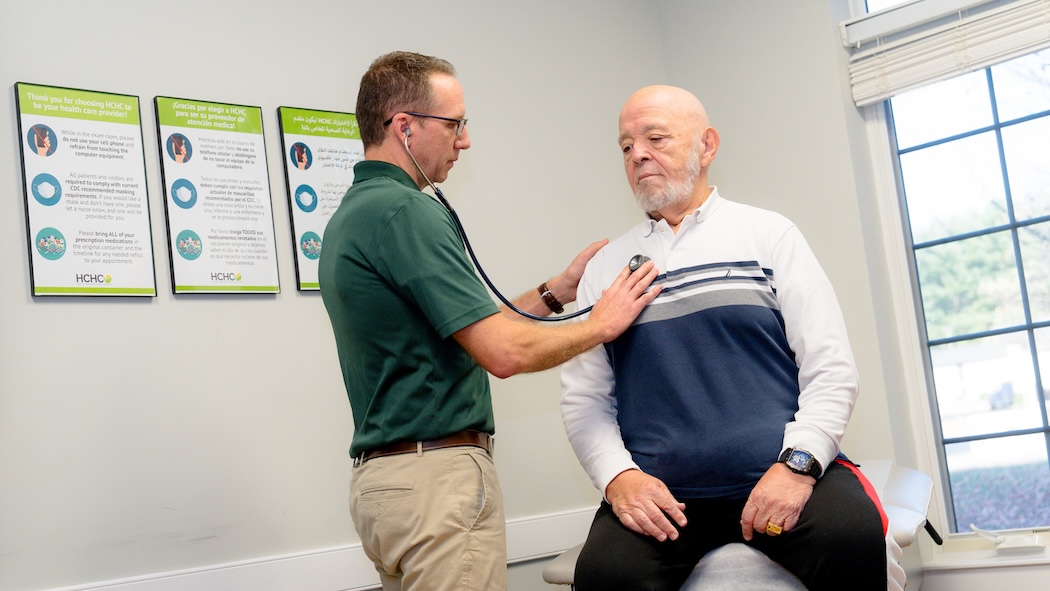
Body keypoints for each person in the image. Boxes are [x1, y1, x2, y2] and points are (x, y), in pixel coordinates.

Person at [317, 51, 661, 591]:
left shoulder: (354, 214)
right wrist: (601, 323)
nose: (465, 140)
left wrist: (556, 292)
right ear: (403, 127)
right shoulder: (406, 211)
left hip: (387, 489)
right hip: (437, 485)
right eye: (454, 124)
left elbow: (468, 328)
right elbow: (503, 352)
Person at [560, 85, 907, 591]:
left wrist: (798, 467)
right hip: (667, 498)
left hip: (777, 470)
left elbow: (830, 369)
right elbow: (584, 400)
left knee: (853, 538)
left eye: (655, 137)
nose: (637, 154)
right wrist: (619, 478)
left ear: (707, 146)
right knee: (603, 577)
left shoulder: (768, 235)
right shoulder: (605, 269)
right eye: (626, 146)